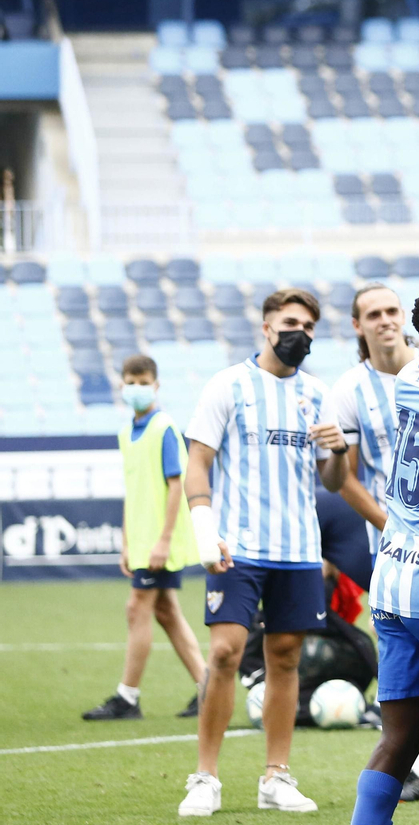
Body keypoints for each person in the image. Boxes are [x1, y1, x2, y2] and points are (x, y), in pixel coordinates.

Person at [179, 288, 351, 817]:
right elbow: (199, 463)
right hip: (239, 547)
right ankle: (205, 777)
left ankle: (276, 777)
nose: (302, 332)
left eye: (310, 326)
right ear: (267, 327)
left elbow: (334, 478)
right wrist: (204, 525)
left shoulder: (319, 393)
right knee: (226, 651)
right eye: (291, 322)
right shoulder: (228, 385)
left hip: (298, 549)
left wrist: (339, 449)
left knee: (285, 659)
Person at [82, 354, 206, 723]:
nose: (136, 388)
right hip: (142, 542)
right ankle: (208, 688)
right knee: (165, 612)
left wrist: (163, 540)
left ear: (156, 385)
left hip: (160, 542)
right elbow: (133, 491)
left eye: (143, 381)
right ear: (122, 384)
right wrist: (127, 542)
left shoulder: (164, 427)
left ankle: (127, 697)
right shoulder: (127, 433)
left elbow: (176, 487)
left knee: (138, 608)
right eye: (130, 381)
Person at [324, 284, 417, 597]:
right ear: (357, 325)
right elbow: (344, 478)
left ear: (403, 316)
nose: (385, 320)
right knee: (399, 640)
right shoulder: (348, 390)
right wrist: (389, 525)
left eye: (391, 311)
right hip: (392, 544)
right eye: (373, 315)